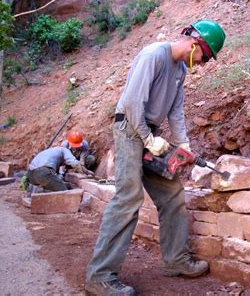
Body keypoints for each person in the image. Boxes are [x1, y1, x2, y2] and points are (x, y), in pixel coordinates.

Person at [85, 19, 226, 296]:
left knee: (172, 193)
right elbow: (133, 103)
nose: (203, 63)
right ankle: (99, 276)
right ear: (195, 43)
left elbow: (176, 111)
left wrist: (183, 143)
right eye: (205, 57)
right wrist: (148, 140)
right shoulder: (153, 55)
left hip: (149, 131)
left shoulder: (179, 71)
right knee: (129, 196)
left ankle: (176, 260)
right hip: (129, 128)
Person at [27, 146, 92, 192]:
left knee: (54, 185)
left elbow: (58, 172)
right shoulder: (64, 150)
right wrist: (86, 171)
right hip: (42, 172)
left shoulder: (52, 153)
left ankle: (36, 190)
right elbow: (74, 163)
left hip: (30, 175)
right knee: (63, 191)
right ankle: (39, 193)